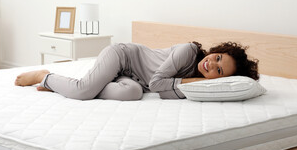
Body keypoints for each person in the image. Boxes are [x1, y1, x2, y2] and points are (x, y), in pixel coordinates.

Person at [15, 42, 259, 100]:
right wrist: (192, 81)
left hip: (134, 80)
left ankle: (64, 84)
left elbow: (163, 93)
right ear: (215, 50)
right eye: (217, 57)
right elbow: (157, 84)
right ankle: (46, 76)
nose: (210, 64)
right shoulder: (187, 51)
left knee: (131, 93)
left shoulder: (197, 84)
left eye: (217, 70)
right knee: (84, 92)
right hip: (123, 57)